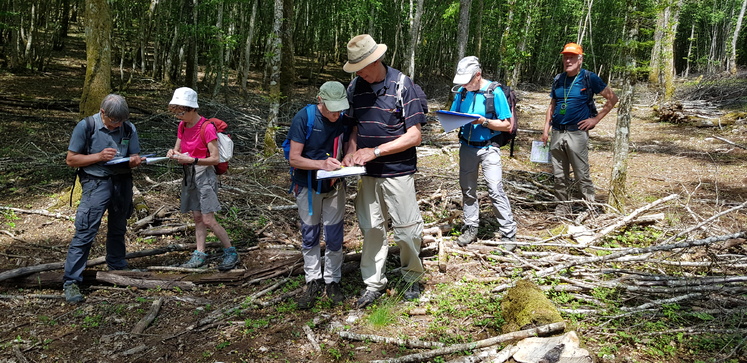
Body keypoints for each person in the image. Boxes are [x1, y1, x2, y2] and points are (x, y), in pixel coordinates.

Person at [342, 34, 427, 308]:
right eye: (356, 68)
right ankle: (373, 283)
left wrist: (376, 151)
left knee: (407, 229)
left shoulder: (403, 85)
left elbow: (414, 136)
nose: (360, 73)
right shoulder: (355, 87)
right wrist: (350, 152)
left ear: (376, 60)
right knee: (371, 229)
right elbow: (354, 127)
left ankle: (412, 277)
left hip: (398, 170)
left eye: (363, 67)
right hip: (367, 174)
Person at [63, 94, 144, 303]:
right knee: (85, 230)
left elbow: (134, 154)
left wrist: (135, 160)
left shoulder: (128, 128)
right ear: (102, 113)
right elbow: (71, 159)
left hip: (122, 182)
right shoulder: (86, 126)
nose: (117, 125)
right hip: (95, 183)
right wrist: (98, 156)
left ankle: (118, 267)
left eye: (120, 121)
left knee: (118, 227)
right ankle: (71, 280)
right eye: (113, 122)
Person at [287, 81, 350, 309]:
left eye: (340, 108)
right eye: (332, 109)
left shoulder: (343, 119)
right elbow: (294, 158)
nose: (336, 114)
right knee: (310, 234)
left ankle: (333, 280)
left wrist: (348, 159)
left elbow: (349, 143)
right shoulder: (305, 118)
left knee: (334, 236)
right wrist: (320, 164)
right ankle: (312, 280)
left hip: (335, 187)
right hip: (307, 186)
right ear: (320, 101)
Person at [166, 87, 239, 271]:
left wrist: (193, 159)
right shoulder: (182, 126)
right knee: (197, 217)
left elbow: (215, 158)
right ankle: (199, 254)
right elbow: (178, 149)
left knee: (208, 219)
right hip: (189, 173)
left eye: (181, 112)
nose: (179, 116)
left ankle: (231, 251)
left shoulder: (206, 128)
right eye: (176, 112)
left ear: (192, 109)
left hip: (204, 174)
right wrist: (173, 154)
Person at [541, 43, 618, 216]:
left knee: (581, 173)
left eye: (572, 57)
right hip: (557, 132)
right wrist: (546, 129)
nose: (568, 60)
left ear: (580, 59)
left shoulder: (589, 78)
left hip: (577, 133)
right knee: (559, 174)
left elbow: (613, 98)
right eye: (565, 57)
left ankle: (589, 207)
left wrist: (595, 119)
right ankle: (562, 206)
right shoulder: (558, 79)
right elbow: (552, 105)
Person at [450, 56, 518, 249]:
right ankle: (471, 226)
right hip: (467, 147)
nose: (465, 85)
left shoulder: (494, 92)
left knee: (495, 189)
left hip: (489, 147)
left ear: (478, 75)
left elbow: (506, 125)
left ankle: (508, 233)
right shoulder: (462, 93)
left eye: (468, 80)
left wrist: (483, 121)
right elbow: (454, 114)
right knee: (468, 189)